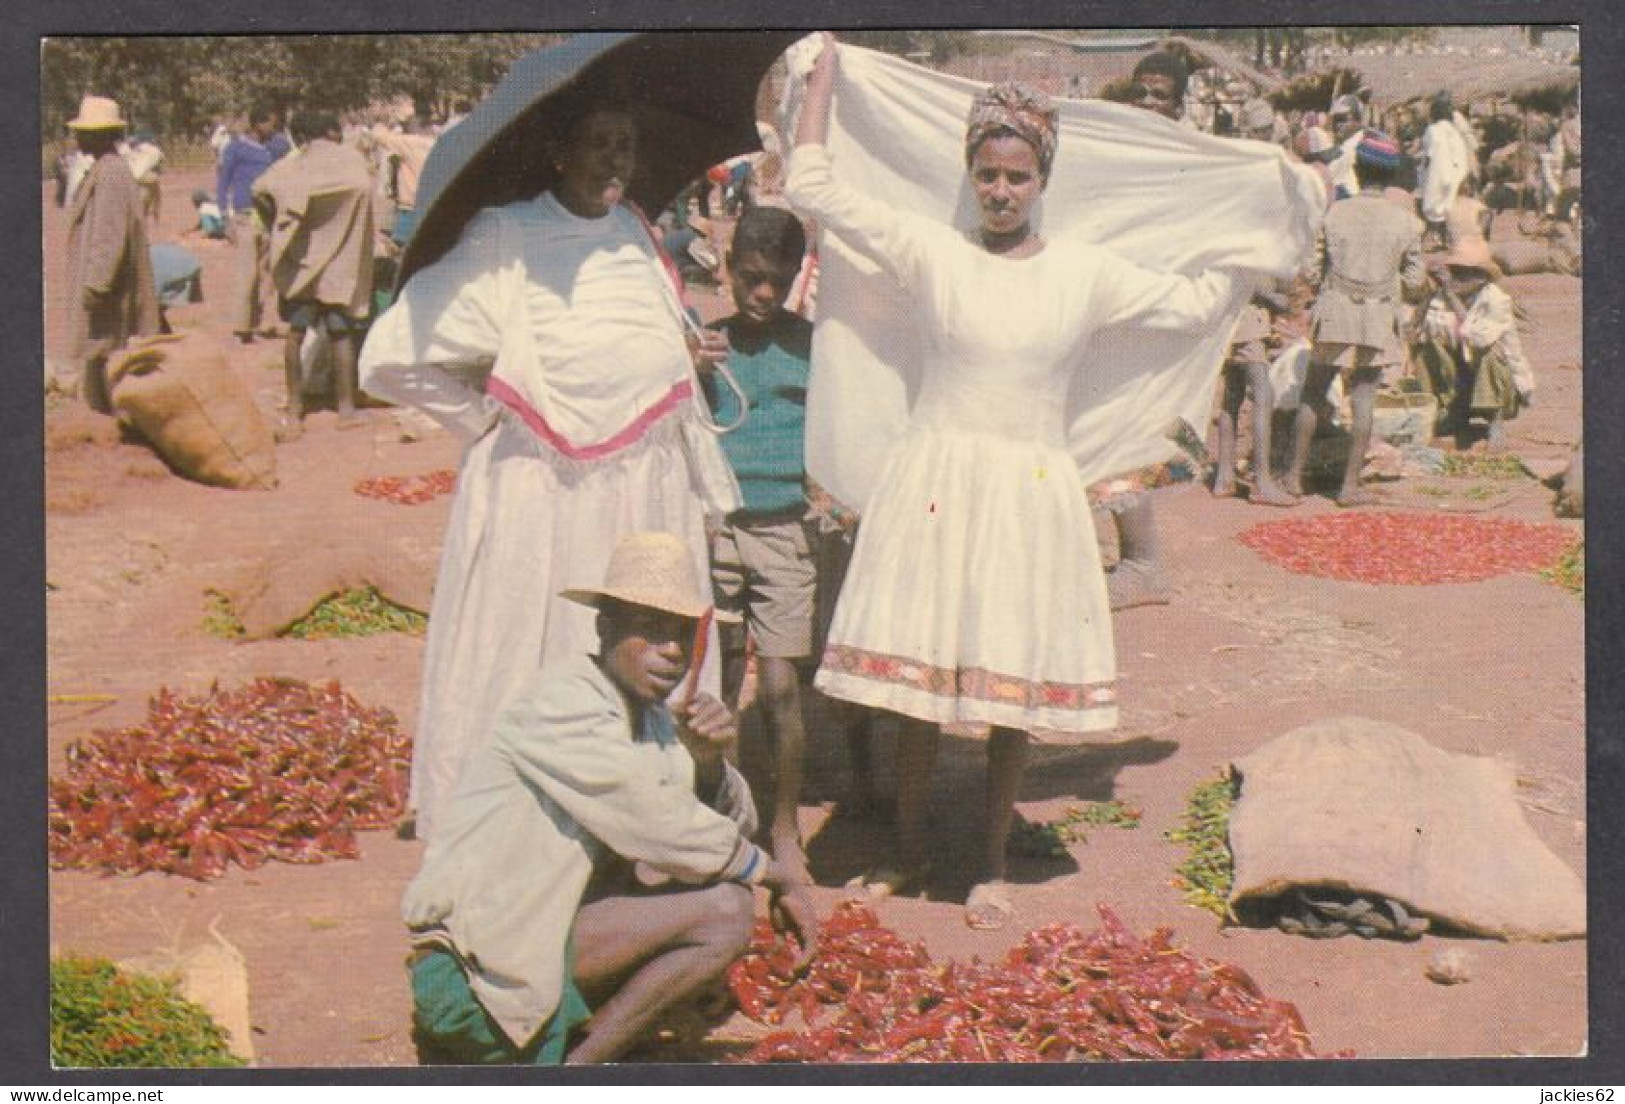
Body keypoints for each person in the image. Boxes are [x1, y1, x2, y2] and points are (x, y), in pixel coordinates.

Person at [788, 41, 1247, 928]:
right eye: (988, 175)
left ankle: (987, 861)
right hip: (934, 479)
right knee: (920, 690)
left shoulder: (1083, 272)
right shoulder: (930, 250)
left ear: (1043, 179)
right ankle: (905, 849)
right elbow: (812, 184)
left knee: (1008, 696)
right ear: (969, 174)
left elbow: (1193, 304)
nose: (1001, 191)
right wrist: (822, 81)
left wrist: (1251, 222)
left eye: (1018, 176)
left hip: (1030, 491)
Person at [359, 97, 732, 843]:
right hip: (541, 495)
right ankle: (521, 824)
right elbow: (390, 358)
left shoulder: (635, 230)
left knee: (643, 640)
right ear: (557, 153)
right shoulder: (505, 233)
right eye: (597, 143)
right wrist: (485, 416)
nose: (614, 162)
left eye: (624, 144)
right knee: (541, 641)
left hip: (644, 490)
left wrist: (681, 357)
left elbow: (633, 336)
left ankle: (639, 816)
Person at [402, 531, 816, 1065]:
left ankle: (578, 1051)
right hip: (472, 963)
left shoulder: (648, 717)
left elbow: (694, 830)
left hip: (535, 934)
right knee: (725, 913)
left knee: (711, 907)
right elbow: (659, 823)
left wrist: (707, 761)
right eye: (651, 630)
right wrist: (779, 875)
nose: (670, 652)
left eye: (682, 634)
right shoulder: (565, 703)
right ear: (606, 628)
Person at [703, 206, 818, 885]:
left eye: (777, 281)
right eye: (750, 278)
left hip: (785, 531)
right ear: (727, 271)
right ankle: (720, 817)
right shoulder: (707, 344)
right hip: (719, 525)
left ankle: (783, 822)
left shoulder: (812, 344)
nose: (763, 295)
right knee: (718, 682)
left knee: (777, 687)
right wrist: (690, 364)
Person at [1283, 130, 1427, 506]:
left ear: (1359, 171)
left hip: (1334, 313)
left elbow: (1312, 273)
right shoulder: (1407, 223)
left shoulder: (1335, 214)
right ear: (1391, 175)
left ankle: (1293, 477)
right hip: (1377, 317)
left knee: (1313, 393)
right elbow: (1414, 281)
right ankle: (1349, 487)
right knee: (1363, 398)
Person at [253, 110, 376, 439]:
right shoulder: (350, 160)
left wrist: (281, 228)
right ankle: (346, 409)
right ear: (332, 132)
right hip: (339, 262)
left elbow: (259, 191)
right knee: (340, 332)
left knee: (295, 333)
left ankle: (295, 406)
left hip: (301, 262)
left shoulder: (293, 164)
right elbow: (364, 189)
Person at [62, 95, 160, 415]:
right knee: (101, 350)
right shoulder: (103, 168)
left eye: (85, 132)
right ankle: (103, 411)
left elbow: (109, 233)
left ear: (104, 135)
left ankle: (110, 416)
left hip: (107, 283)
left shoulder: (111, 172)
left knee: (107, 348)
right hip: (104, 279)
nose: (78, 138)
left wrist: (96, 282)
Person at [1413, 238, 1534, 451]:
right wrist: (1429, 293)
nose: (1454, 279)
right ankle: (1454, 414)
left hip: (1498, 383)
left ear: (1480, 279)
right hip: (1463, 378)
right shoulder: (1442, 298)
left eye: (1461, 274)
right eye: (1453, 272)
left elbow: (1479, 339)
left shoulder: (1496, 300)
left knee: (1490, 352)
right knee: (1426, 349)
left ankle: (1495, 422)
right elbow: (1416, 333)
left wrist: (1453, 299)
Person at [217, 101, 291, 343]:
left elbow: (291, 149)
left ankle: (257, 323)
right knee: (247, 275)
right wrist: (224, 217)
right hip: (246, 216)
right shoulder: (235, 148)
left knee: (266, 275)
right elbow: (223, 183)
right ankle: (241, 328)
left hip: (269, 217)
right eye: (271, 123)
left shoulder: (273, 148)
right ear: (259, 124)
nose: (275, 128)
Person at [1420, 93, 1471, 248]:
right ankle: (1447, 239)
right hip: (1455, 173)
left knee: (1433, 206)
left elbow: (1429, 154)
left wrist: (1422, 169)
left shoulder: (1432, 129)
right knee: (1448, 205)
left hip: (1438, 171)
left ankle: (1436, 238)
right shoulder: (1454, 131)